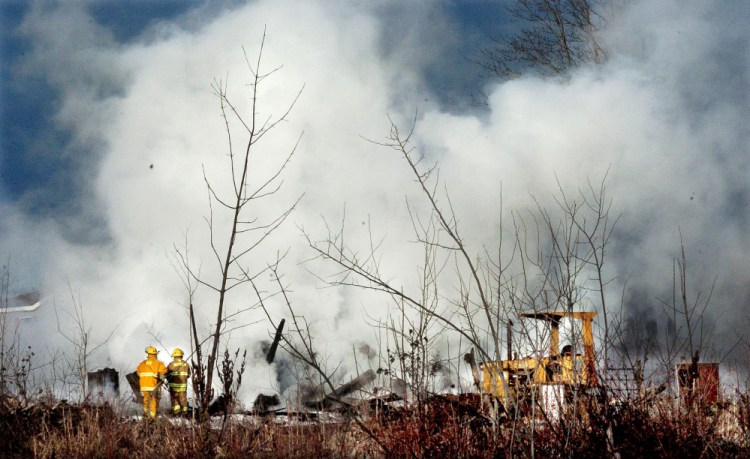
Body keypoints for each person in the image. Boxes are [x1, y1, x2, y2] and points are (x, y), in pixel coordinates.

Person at [136, 345, 168, 420]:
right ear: (155, 354)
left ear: (148, 354)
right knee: (153, 400)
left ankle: (146, 414)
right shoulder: (158, 363)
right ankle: (152, 417)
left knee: (145, 400)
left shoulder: (142, 363)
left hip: (144, 386)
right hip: (153, 386)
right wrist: (160, 377)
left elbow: (138, 373)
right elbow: (164, 371)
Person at [167, 348, 191, 417]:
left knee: (175, 399)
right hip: (182, 386)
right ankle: (185, 413)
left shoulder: (171, 364)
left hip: (173, 387)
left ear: (174, 356)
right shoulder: (186, 364)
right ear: (182, 355)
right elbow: (189, 375)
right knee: (183, 399)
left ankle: (176, 413)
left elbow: (167, 374)